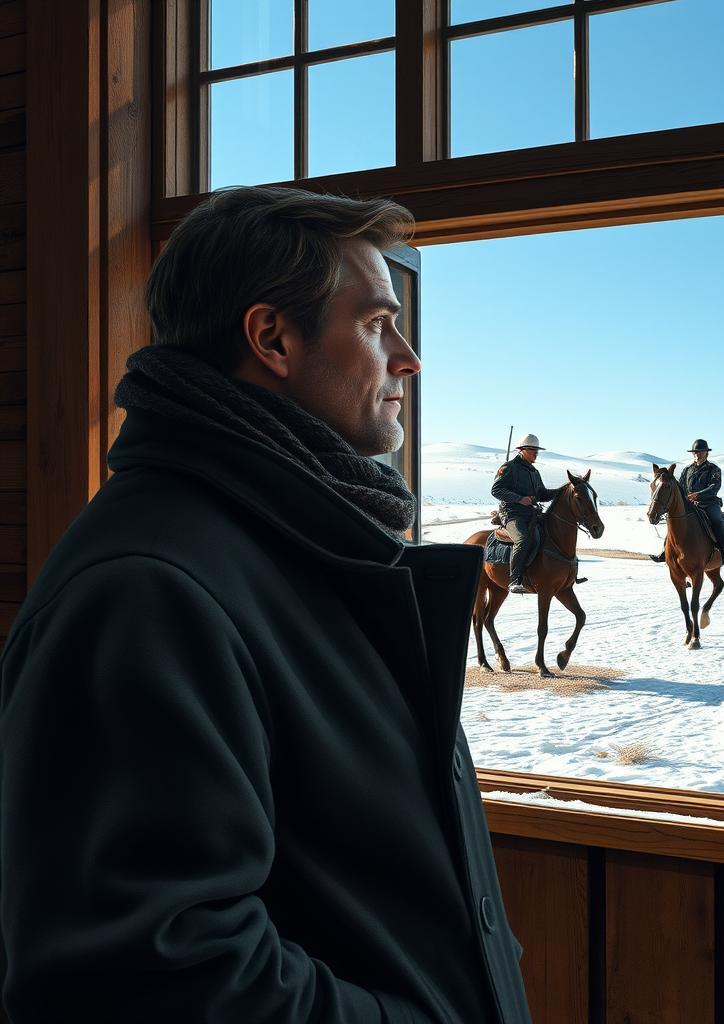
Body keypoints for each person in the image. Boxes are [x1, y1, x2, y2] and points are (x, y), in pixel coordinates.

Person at [0, 186, 531, 1023]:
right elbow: (153, 977)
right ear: (272, 338)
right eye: (375, 324)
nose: (408, 357)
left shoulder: (297, 542)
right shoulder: (148, 593)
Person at [491, 434, 560, 594]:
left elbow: (542, 494)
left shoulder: (534, 471)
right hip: (512, 514)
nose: (536, 453)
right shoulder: (509, 468)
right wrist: (519, 499)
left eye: (537, 450)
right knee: (522, 540)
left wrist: (562, 491)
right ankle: (515, 580)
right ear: (522, 450)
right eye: (532, 450)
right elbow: (496, 490)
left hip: (531, 515)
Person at [684, 438, 724, 565]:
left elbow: (714, 487)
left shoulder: (714, 469)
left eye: (700, 451)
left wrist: (698, 495)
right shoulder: (687, 470)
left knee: (716, 520)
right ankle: (665, 550)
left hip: (709, 504)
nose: (696, 454)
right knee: (675, 520)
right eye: (694, 452)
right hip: (690, 505)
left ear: (706, 452)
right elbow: (681, 486)